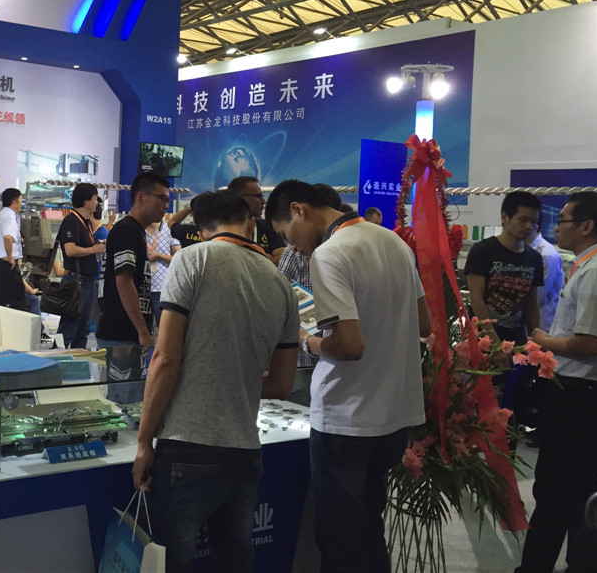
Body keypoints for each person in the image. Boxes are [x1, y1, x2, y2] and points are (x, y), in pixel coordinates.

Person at [266, 179, 430, 573]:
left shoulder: (330, 253)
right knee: (369, 528)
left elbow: (349, 346)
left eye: (287, 234)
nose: (293, 247)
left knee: (339, 539)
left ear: (299, 210)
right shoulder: (394, 242)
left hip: (346, 419)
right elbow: (423, 323)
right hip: (393, 418)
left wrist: (307, 341)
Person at [133, 190, 299, 571]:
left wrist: (143, 442)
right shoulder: (280, 282)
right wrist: (234, 379)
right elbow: (281, 385)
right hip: (245, 451)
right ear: (249, 222)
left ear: (201, 229)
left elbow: (165, 359)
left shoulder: (192, 260)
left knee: (170, 561)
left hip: (187, 447)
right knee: (236, 560)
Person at [516, 193, 597, 573]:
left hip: (579, 395)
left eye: (564, 220)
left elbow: (592, 343)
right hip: (575, 392)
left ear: (587, 226)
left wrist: (546, 342)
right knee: (565, 490)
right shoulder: (590, 265)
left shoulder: (596, 271)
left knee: (558, 490)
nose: (556, 227)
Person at [277, 183, 343, 407]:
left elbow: (350, 346)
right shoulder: (295, 251)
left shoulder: (338, 251)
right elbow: (282, 294)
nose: (293, 245)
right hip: (305, 359)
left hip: (330, 356)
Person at [96, 173, 170, 349]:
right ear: (141, 197)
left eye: (167, 200)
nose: (165, 206)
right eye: (161, 199)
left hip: (126, 334)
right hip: (121, 335)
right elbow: (124, 282)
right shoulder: (127, 230)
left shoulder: (135, 230)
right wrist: (143, 332)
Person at [465, 191, 544, 345]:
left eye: (534, 222)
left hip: (517, 340)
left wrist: (534, 343)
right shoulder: (483, 250)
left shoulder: (534, 258)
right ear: (504, 217)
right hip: (483, 341)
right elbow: (476, 298)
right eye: (523, 220)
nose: (529, 226)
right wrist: (494, 343)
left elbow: (532, 305)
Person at [55, 183, 105, 349]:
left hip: (87, 281)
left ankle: (78, 360)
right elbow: (70, 250)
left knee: (83, 330)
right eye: (94, 199)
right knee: (68, 327)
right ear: (86, 201)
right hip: (76, 281)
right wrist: (93, 249)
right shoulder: (71, 221)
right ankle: (57, 358)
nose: (96, 203)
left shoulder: (86, 222)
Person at [0, 188, 27, 310]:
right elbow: (7, 237)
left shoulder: (0, 215)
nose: (21, 203)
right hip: (6, 265)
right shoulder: (9, 215)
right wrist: (9, 256)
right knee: (17, 303)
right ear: (14, 202)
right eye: (20, 200)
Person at [228, 176, 286, 262]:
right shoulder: (221, 228)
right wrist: (266, 257)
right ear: (239, 198)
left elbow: (284, 258)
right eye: (258, 196)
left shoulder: (268, 226)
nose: (263, 201)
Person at [527, 218, 565, 332]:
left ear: (536, 226)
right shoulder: (522, 250)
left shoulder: (547, 255)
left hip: (543, 324)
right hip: (526, 323)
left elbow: (538, 296)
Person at [145, 216, 181, 326]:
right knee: (142, 327)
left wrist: (158, 256)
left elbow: (178, 258)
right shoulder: (139, 229)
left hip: (162, 287)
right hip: (142, 287)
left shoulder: (169, 230)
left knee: (163, 325)